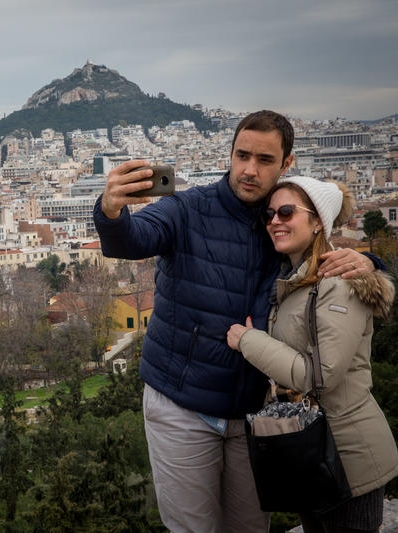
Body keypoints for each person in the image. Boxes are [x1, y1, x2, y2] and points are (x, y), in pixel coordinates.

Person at [93, 109, 378, 532]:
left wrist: (370, 262)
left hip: (255, 413)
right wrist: (111, 211)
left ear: (286, 164)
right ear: (229, 154)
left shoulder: (283, 221)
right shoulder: (188, 209)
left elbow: (325, 258)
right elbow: (135, 239)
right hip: (181, 405)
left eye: (264, 161)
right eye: (242, 155)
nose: (249, 170)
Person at [227, 177, 398, 533]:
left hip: (350, 462)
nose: (275, 221)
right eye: (270, 214)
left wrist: (248, 341)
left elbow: (320, 376)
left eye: (287, 211)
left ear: (318, 220)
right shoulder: (294, 281)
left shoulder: (336, 284)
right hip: (311, 454)